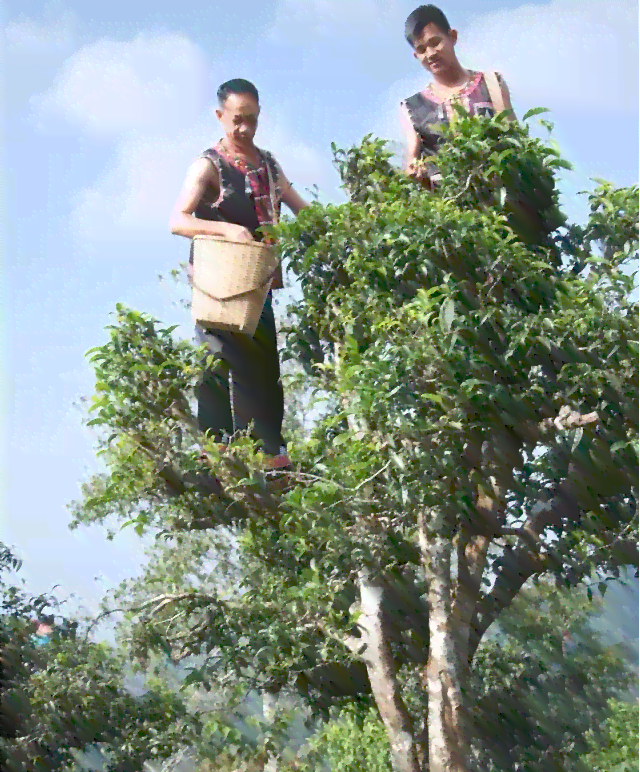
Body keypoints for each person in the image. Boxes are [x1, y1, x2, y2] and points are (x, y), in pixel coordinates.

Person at [169, 79, 309, 471]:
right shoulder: (208, 164)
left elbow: (303, 210)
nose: (244, 129)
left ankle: (271, 460)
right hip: (216, 284)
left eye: (251, 120)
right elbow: (177, 219)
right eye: (236, 120)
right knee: (213, 364)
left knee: (265, 369)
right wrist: (225, 229)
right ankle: (213, 456)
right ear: (220, 116)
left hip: (255, 284)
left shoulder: (267, 164)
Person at [401, 5, 515, 188]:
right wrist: (415, 172)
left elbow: (515, 141)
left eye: (435, 42)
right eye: (422, 49)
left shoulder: (491, 83)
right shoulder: (412, 107)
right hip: (452, 209)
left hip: (503, 202)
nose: (430, 54)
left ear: (452, 36)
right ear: (416, 55)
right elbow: (411, 164)